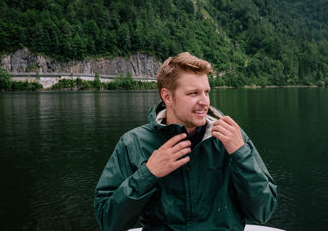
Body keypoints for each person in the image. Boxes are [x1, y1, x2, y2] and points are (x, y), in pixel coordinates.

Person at [94, 52, 277, 231]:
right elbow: (108, 221)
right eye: (193, 93)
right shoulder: (132, 143)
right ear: (167, 97)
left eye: (206, 92)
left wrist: (241, 154)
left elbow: (263, 211)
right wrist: (149, 173)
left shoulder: (232, 138)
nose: (204, 102)